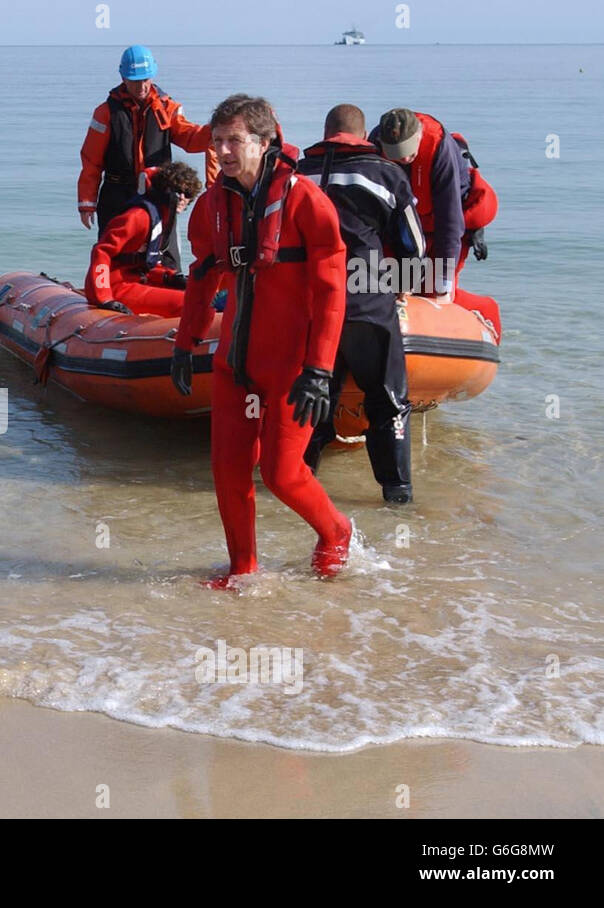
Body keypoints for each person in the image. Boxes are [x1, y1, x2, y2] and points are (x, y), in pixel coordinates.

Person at [170, 95, 352, 586]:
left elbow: (333, 291)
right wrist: (185, 345)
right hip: (235, 363)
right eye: (218, 141)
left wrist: (320, 368)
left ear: (265, 140)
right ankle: (243, 570)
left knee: (281, 474)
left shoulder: (306, 203)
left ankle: (336, 532)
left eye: (235, 140)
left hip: (292, 367)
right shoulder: (209, 207)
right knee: (227, 473)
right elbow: (202, 281)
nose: (224, 151)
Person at [298, 104, 426, 504]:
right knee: (388, 403)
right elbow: (415, 247)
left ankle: (295, 486)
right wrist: (402, 286)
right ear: (364, 136)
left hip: (312, 307)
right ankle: (397, 494)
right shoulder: (387, 174)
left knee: (313, 398)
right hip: (366, 303)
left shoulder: (296, 176)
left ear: (325, 132)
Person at [77, 45, 218, 272]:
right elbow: (91, 160)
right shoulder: (105, 113)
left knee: (165, 256)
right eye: (134, 80)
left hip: (158, 195)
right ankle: (109, 296)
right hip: (117, 195)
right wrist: (86, 202)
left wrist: (216, 130)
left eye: (145, 79)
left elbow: (191, 139)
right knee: (116, 254)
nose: (141, 86)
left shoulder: (167, 108)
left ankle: (170, 298)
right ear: (123, 77)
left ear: (152, 75)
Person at [371, 108, 498, 298]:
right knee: (393, 287)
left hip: (447, 219)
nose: (404, 159)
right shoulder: (374, 144)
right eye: (396, 155)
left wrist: (444, 278)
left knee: (436, 291)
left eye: (408, 153)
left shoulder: (439, 149)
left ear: (419, 136)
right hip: (405, 224)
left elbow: (450, 220)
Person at [84, 162, 203, 318]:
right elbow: (102, 252)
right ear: (164, 190)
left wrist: (168, 277)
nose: (181, 197)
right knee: (188, 303)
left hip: (136, 280)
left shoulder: (162, 218)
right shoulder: (138, 217)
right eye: (177, 191)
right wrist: (104, 298)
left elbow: (144, 262)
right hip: (116, 286)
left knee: (202, 294)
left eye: (187, 193)